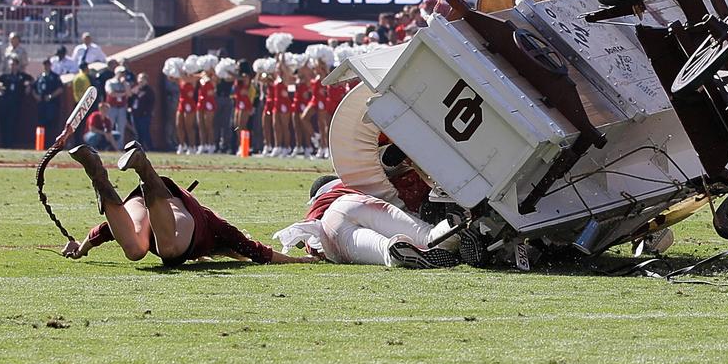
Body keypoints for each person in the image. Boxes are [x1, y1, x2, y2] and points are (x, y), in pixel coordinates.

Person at [61, 142, 315, 265]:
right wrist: (298, 262)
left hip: (142, 201)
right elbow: (257, 251)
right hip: (172, 206)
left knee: (136, 249)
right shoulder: (216, 227)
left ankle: (98, 174)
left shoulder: (215, 230)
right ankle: (145, 170)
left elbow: (107, 231)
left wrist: (80, 249)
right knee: (170, 250)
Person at [273, 150, 460, 269]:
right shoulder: (354, 181)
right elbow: (385, 161)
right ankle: (462, 224)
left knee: (384, 251)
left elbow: (312, 240)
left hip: (330, 226)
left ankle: (395, 251)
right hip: (357, 202)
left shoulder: (319, 205)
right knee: (428, 236)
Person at [0, 56, 32, 148]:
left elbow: (32, 80)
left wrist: (28, 86)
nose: (12, 66)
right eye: (11, 64)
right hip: (5, 104)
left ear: (18, 65)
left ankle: (10, 144)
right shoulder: (5, 75)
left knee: (13, 124)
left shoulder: (22, 76)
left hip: (16, 104)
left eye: (14, 64)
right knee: (4, 124)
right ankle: (4, 144)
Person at [32, 58, 64, 135]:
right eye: (45, 65)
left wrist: (51, 96)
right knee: (41, 123)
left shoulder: (55, 76)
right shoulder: (40, 77)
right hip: (41, 104)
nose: (46, 66)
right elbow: (33, 88)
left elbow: (60, 89)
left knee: (51, 122)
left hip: (51, 104)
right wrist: (36, 96)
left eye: (48, 64)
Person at [103, 65, 131, 145]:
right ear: (116, 73)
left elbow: (129, 94)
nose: (123, 75)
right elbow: (111, 93)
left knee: (121, 127)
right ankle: (108, 145)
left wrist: (125, 83)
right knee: (109, 126)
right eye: (121, 73)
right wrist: (123, 94)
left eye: (124, 73)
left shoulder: (126, 83)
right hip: (111, 107)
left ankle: (119, 146)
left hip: (121, 108)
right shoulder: (110, 82)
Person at [129, 72, 155, 151]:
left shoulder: (149, 91)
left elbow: (151, 102)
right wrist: (129, 107)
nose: (141, 81)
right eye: (139, 79)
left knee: (144, 131)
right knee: (137, 132)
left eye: (143, 79)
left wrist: (147, 111)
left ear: (146, 81)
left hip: (144, 114)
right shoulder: (135, 89)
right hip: (135, 113)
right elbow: (130, 99)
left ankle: (150, 148)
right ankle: (138, 149)